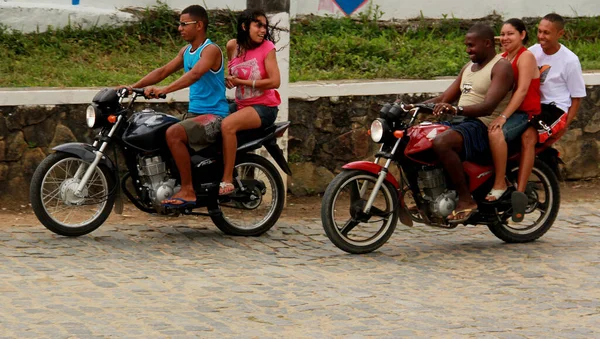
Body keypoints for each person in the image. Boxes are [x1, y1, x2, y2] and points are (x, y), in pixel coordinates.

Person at [123, 5, 229, 207]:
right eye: (179, 24)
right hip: (194, 114)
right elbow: (163, 71)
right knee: (159, 130)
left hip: (214, 116)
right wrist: (132, 87)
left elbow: (195, 74)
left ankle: (188, 190)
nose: (179, 28)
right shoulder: (186, 51)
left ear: (199, 25)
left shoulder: (211, 50)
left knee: (174, 134)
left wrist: (164, 90)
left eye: (183, 24)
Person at [414, 23, 513, 223]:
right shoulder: (468, 67)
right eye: (466, 46)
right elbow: (445, 97)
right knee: (419, 139)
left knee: (442, 142)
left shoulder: (501, 66)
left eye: (471, 46)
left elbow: (488, 106)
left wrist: (457, 109)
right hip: (462, 122)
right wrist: (412, 106)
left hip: (483, 125)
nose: (467, 50)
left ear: (487, 43)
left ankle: (466, 199)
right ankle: (429, 196)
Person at [511, 13, 586, 221]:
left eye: (547, 33)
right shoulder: (533, 52)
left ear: (560, 34)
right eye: (539, 31)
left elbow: (577, 98)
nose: (541, 36)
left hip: (555, 108)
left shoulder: (570, 60)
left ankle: (521, 192)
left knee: (528, 136)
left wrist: (564, 126)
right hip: (533, 105)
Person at [220, 9, 281, 195]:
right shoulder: (232, 46)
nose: (263, 30)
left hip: (264, 107)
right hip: (241, 105)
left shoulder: (267, 48)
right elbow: (233, 76)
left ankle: (228, 179)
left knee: (227, 126)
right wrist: (229, 80)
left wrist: (242, 82)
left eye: (265, 26)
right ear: (245, 26)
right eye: (258, 25)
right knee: (208, 120)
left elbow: (275, 81)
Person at [485, 18, 541, 201]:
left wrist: (502, 117)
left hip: (524, 113)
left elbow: (522, 90)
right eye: (502, 34)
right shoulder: (501, 58)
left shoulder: (526, 57)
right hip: (505, 110)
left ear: (522, 35)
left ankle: (500, 182)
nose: (505, 38)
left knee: (495, 133)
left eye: (510, 34)